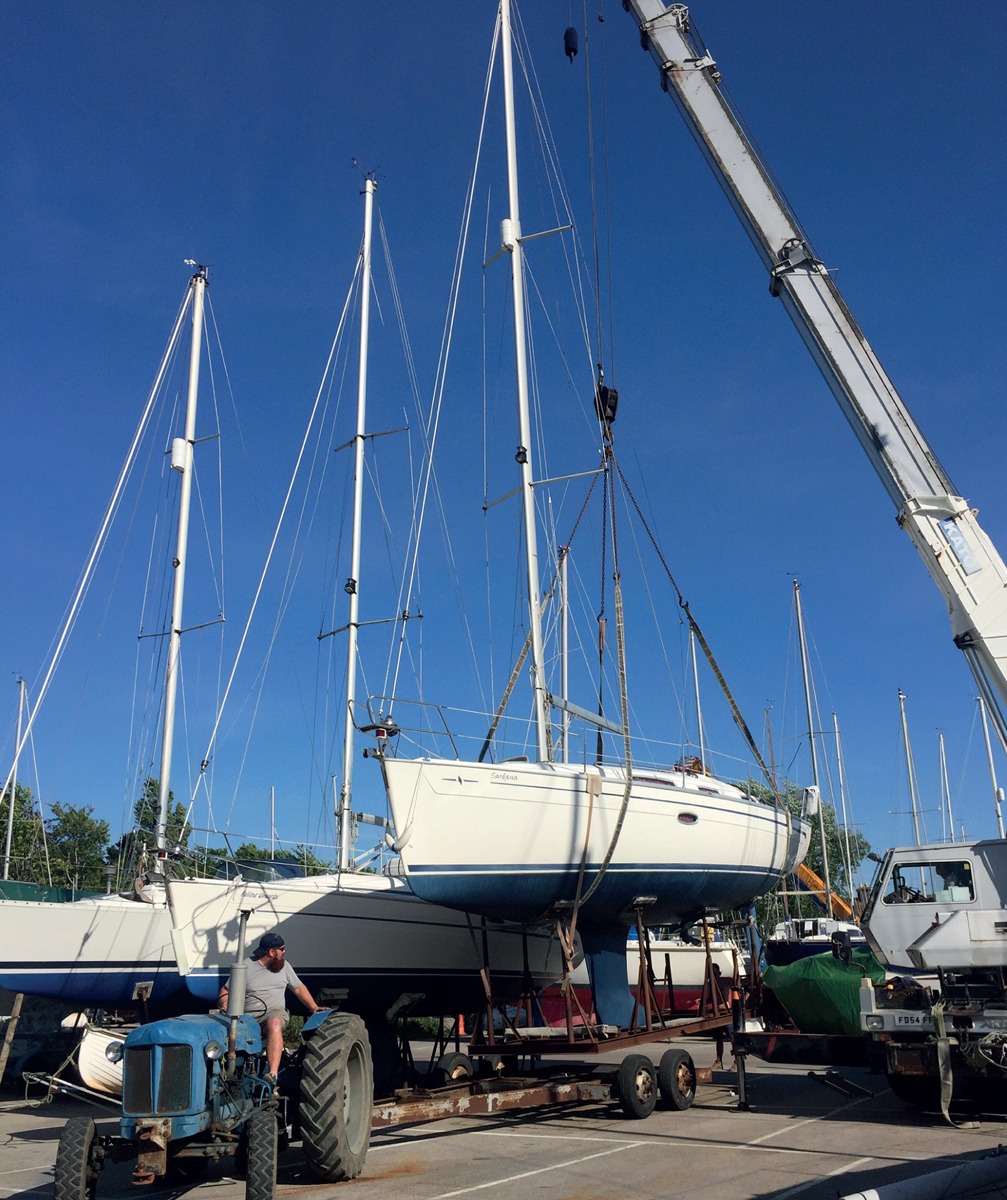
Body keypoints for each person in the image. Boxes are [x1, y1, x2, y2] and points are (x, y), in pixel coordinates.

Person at [218, 931, 328, 1082]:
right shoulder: (246, 967)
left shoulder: (285, 967)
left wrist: (314, 1007)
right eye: (282, 949)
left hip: (274, 1013)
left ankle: (272, 1074)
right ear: (271, 951)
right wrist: (224, 1002)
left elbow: (298, 988)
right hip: (248, 1017)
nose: (284, 952)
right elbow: (225, 991)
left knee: (274, 1023)